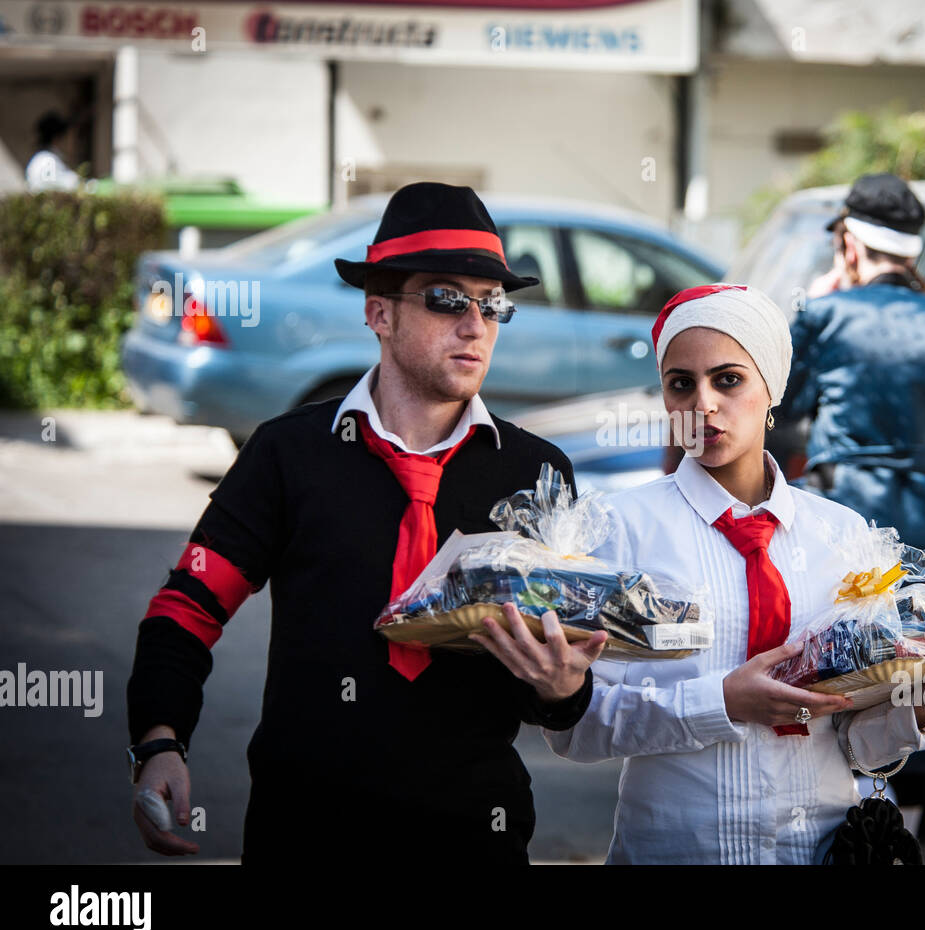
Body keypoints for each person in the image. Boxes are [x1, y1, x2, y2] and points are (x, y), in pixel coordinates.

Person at [126, 182, 605, 865]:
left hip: (475, 836)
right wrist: (158, 740)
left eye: (493, 303)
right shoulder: (288, 452)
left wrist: (563, 688)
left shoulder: (534, 472)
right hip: (305, 833)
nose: (476, 323)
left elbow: (552, 691)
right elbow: (187, 606)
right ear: (379, 312)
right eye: (447, 298)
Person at [471, 283, 925, 864]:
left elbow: (855, 741)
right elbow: (578, 731)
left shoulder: (844, 536)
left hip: (819, 850)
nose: (703, 404)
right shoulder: (619, 529)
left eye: (728, 379)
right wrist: (722, 702)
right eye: (681, 384)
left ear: (771, 388)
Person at [777, 172, 925, 789]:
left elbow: (778, 403)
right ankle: (905, 824)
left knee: (850, 673)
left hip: (846, 524)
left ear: (850, 246)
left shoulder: (827, 317)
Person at [26, 111, 82, 192]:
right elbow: (69, 185)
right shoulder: (47, 161)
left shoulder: (45, 159)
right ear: (57, 139)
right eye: (70, 138)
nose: (75, 143)